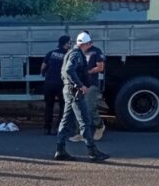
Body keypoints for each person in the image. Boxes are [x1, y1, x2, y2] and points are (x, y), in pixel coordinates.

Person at [54, 32, 109, 162]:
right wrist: (80, 85)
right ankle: (93, 152)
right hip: (74, 92)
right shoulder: (76, 54)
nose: (90, 46)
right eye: (89, 44)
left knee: (65, 121)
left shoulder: (71, 52)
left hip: (68, 90)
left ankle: (60, 150)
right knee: (85, 121)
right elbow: (69, 70)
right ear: (85, 44)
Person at [41, 35, 70, 135]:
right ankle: (59, 128)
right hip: (61, 84)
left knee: (49, 106)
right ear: (66, 43)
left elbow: (43, 67)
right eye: (69, 42)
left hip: (49, 83)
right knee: (63, 106)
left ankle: (47, 128)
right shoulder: (69, 54)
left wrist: (44, 74)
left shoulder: (51, 53)